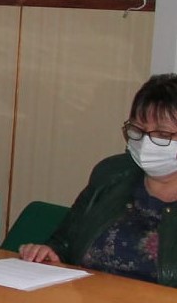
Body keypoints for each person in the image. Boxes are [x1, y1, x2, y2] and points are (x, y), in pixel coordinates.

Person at [19, 74, 177, 286]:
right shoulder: (111, 174)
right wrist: (48, 253)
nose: (146, 143)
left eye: (163, 135)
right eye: (138, 130)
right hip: (88, 301)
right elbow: (64, 242)